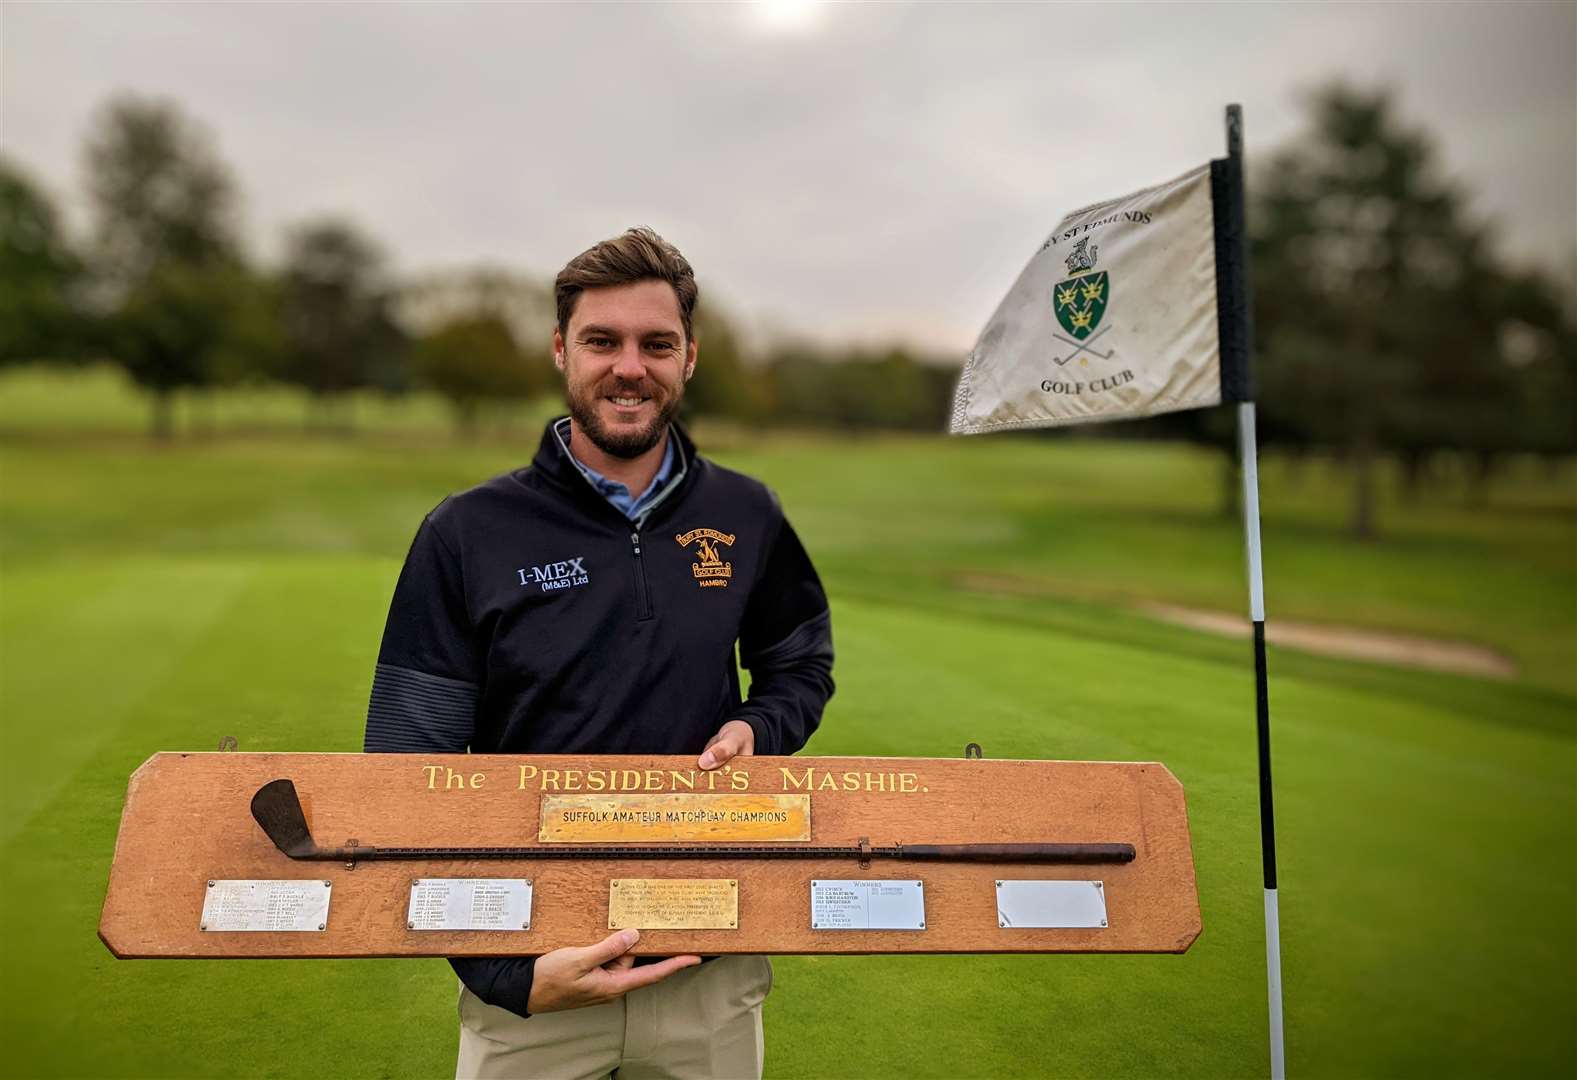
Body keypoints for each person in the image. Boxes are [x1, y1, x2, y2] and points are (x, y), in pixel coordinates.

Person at [363, 227, 835, 1079]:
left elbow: (798, 664)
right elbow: (407, 765)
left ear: (689, 357)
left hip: (708, 970)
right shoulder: (467, 531)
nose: (629, 367)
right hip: (535, 981)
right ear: (559, 350)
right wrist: (503, 975)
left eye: (656, 344)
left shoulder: (746, 512)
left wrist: (756, 729)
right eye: (601, 341)